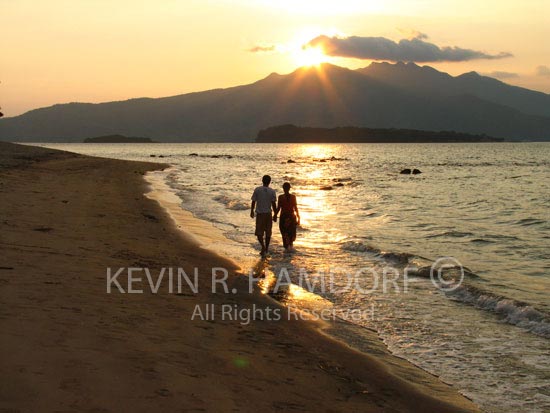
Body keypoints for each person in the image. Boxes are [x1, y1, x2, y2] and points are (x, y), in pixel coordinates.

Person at [250, 175, 277, 257]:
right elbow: (273, 204)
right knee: (268, 233)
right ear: (270, 181)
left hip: (260, 214)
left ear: (262, 180)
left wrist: (252, 211)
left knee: (259, 233)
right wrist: (275, 214)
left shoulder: (257, 189)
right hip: (268, 214)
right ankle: (266, 248)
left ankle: (263, 247)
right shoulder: (272, 191)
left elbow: (253, 201)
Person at [274, 182, 300, 251]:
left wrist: (275, 215)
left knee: (284, 233)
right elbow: (295, 208)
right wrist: (298, 217)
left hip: (284, 217)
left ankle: (287, 249)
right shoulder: (293, 197)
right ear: (289, 188)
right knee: (291, 233)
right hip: (291, 217)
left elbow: (278, 208)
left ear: (283, 188)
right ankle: (290, 249)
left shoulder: (281, 197)